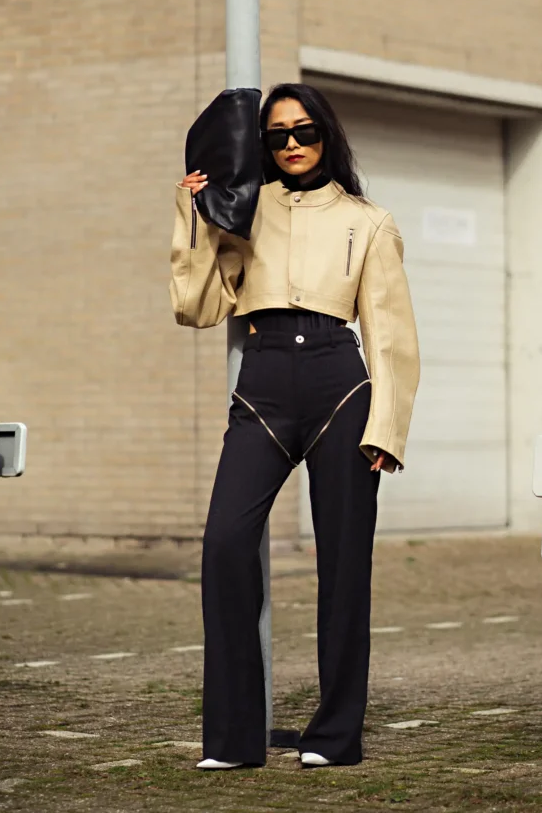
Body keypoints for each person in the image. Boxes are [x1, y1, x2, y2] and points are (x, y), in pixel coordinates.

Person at [169, 83, 420, 769]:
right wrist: (193, 214)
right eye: (275, 135)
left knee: (343, 568)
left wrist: (385, 430)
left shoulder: (368, 220)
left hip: (340, 385)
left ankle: (335, 737)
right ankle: (232, 739)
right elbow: (195, 307)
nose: (290, 145)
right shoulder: (242, 208)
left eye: (302, 131)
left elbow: (392, 335)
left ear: (325, 134)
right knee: (224, 546)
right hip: (263, 386)